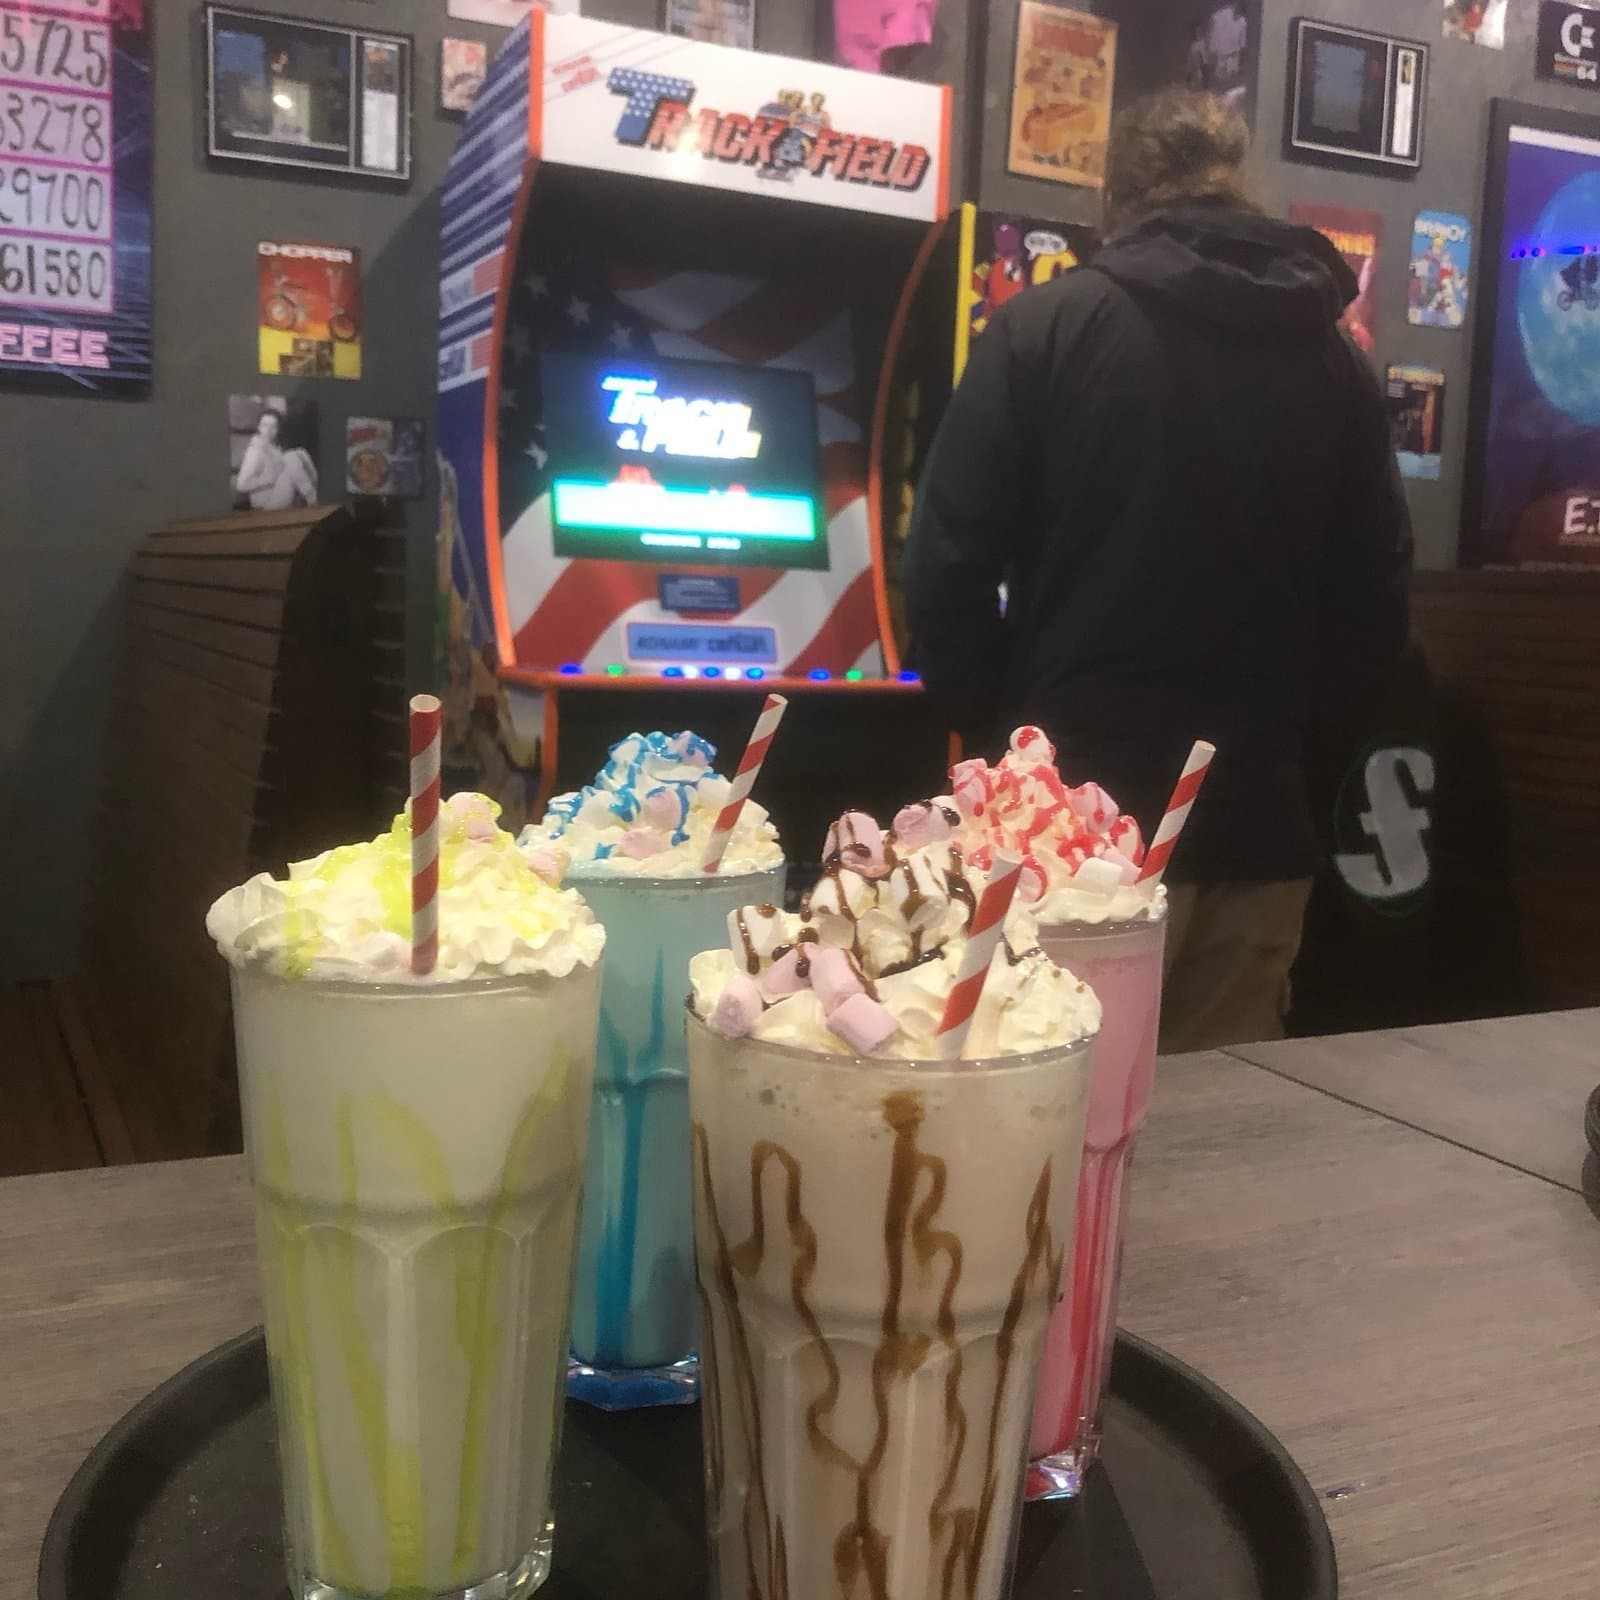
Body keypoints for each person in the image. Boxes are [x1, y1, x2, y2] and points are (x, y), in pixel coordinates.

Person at [903, 89, 1413, 1051]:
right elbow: (1377, 610)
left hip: (1066, 831)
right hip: (1257, 825)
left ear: (1116, 195)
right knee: (1217, 1152)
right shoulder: (1336, 365)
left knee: (1050, 1138)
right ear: (1238, 182)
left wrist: (1014, 753)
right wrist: (1299, 762)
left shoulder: (1043, 330)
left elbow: (945, 575)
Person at [234, 409, 318, 510]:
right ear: (259, 427)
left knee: (300, 452)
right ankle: (312, 498)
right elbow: (241, 485)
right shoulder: (256, 450)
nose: (268, 430)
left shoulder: (275, 448)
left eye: (273, 427)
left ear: (278, 429)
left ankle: (312, 493)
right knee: (290, 456)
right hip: (265, 504)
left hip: (279, 493)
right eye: (265, 425)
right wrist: (269, 479)